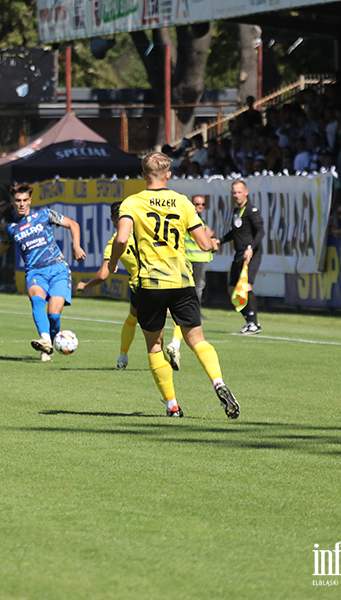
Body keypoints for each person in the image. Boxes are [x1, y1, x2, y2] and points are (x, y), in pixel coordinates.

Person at [108, 151, 238, 419]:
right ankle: (218, 382)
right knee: (197, 340)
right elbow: (203, 243)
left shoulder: (131, 203)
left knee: (155, 346)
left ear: (143, 176)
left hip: (150, 284)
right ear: (169, 175)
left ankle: (173, 406)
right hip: (181, 281)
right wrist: (213, 243)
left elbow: (121, 239)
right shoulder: (182, 202)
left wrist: (112, 263)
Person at [0, 183, 86, 362]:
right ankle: (45, 341)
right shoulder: (11, 228)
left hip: (58, 269)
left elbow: (73, 224)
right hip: (35, 273)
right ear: (13, 202)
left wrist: (76, 245)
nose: (21, 204)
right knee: (37, 301)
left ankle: (50, 343)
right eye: (17, 201)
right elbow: (0, 249)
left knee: (53, 315)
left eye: (24, 200)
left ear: (29, 200)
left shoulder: (44, 215)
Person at [76, 201, 141, 370]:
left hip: (141, 285)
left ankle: (122, 357)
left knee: (135, 319)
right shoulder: (146, 231)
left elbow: (103, 274)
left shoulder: (114, 243)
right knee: (180, 318)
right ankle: (175, 344)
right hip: (167, 278)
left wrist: (85, 285)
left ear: (112, 219)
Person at [219, 179, 265, 334]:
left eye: (239, 192)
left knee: (246, 286)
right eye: (234, 192)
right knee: (232, 289)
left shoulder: (252, 210)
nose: (237, 195)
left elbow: (260, 231)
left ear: (246, 192)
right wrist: (220, 241)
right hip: (238, 254)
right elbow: (234, 233)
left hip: (250, 254)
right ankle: (248, 321)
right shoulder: (236, 211)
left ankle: (254, 322)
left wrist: (251, 248)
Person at [184, 194, 214, 311]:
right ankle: (194, 311)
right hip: (194, 257)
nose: (200, 206)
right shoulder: (193, 218)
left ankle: (192, 310)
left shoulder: (200, 219)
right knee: (197, 287)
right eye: (197, 204)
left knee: (195, 286)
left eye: (203, 204)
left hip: (198, 257)